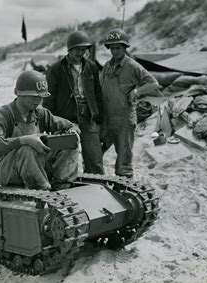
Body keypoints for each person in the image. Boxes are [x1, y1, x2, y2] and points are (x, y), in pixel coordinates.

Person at [0, 70, 80, 190]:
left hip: (36, 164)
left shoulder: (40, 113)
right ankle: (42, 189)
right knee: (28, 149)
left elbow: (68, 125)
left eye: (41, 97)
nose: (38, 101)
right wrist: (24, 140)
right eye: (34, 96)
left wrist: (73, 130)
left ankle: (62, 185)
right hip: (6, 168)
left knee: (69, 142)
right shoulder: (3, 114)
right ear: (18, 93)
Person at [43, 30, 104, 174]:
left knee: (95, 159)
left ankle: (96, 190)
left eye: (83, 50)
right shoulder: (56, 69)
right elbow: (49, 98)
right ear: (69, 49)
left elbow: (97, 94)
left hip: (88, 117)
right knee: (66, 160)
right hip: (65, 119)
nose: (80, 53)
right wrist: (51, 121)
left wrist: (99, 115)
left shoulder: (91, 67)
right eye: (77, 49)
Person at [100, 28, 159, 178]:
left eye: (118, 48)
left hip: (124, 119)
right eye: (112, 48)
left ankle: (125, 187)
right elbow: (100, 87)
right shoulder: (107, 66)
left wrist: (137, 92)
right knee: (96, 152)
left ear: (125, 48)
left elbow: (153, 83)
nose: (115, 51)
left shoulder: (133, 66)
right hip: (107, 118)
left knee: (124, 160)